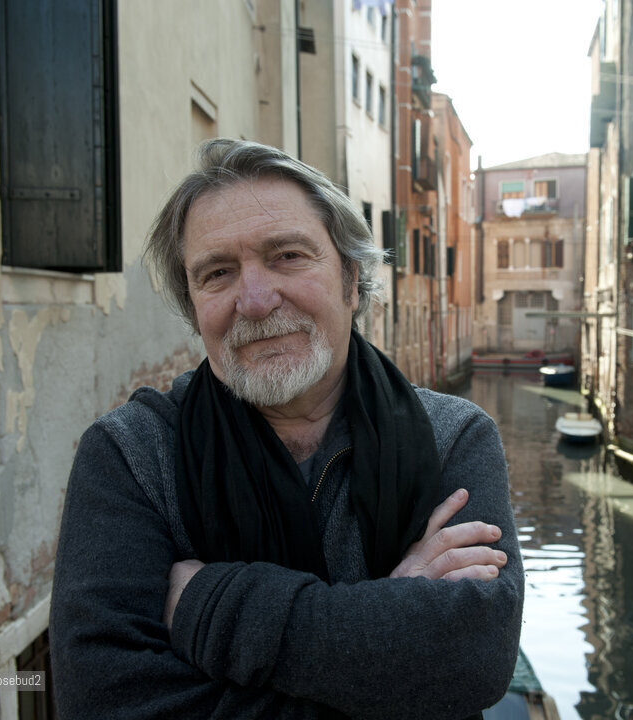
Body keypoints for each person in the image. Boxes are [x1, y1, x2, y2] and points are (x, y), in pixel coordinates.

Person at [49, 139, 523, 719]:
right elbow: (103, 702)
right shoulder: (131, 456)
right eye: (217, 273)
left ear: (352, 281)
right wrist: (391, 623)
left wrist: (209, 605)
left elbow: (472, 660)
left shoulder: (455, 437)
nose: (253, 299)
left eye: (288, 256)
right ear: (193, 305)